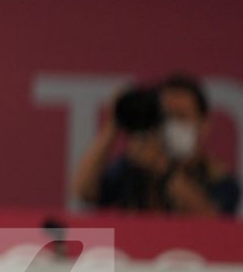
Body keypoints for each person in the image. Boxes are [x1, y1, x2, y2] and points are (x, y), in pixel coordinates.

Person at [73, 77, 239, 215]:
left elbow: (213, 220)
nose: (171, 124)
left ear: (204, 124)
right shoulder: (134, 165)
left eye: (180, 116)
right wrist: (115, 123)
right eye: (166, 116)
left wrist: (164, 169)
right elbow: (83, 191)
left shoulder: (218, 178)